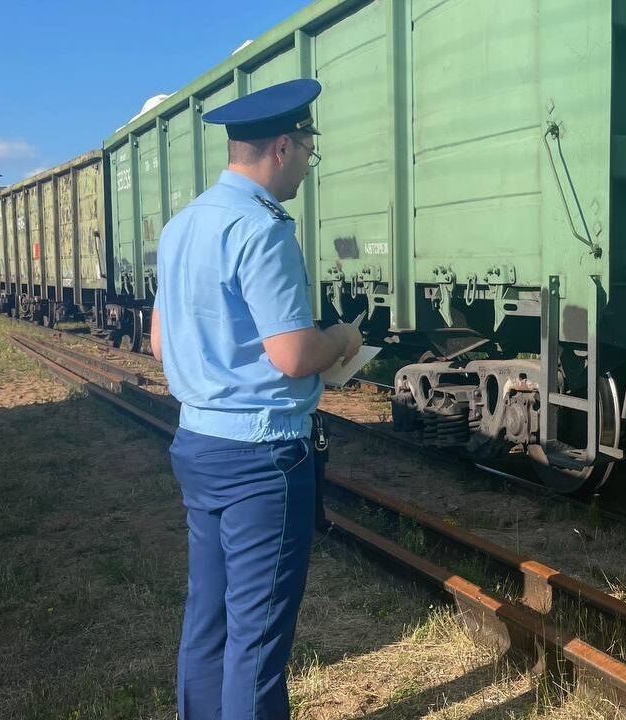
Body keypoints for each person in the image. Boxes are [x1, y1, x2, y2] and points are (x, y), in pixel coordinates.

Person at [149, 78, 361, 720]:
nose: (306, 165)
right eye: (306, 150)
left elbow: (160, 343)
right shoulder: (263, 230)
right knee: (258, 638)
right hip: (262, 461)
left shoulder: (182, 225)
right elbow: (293, 354)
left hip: (198, 444)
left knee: (207, 617)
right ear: (281, 148)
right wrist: (342, 338)